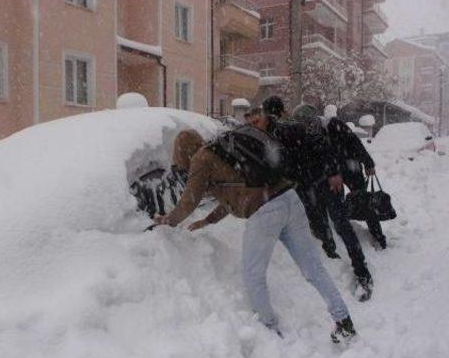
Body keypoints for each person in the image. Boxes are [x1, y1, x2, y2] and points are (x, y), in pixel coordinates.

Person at [153, 129, 357, 342]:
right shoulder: (220, 150)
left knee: (253, 274)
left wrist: (167, 220)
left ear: (182, 152)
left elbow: (190, 200)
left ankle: (269, 330)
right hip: (289, 198)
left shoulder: (200, 159)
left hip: (266, 211)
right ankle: (344, 320)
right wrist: (209, 220)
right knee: (313, 267)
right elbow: (236, 192)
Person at [288, 103, 373, 301]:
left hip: (328, 185)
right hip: (309, 188)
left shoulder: (324, 128)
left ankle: (362, 272)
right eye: (301, 123)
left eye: (306, 122)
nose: (305, 126)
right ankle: (332, 258)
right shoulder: (295, 133)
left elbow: (330, 151)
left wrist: (334, 173)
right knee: (320, 226)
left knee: (341, 224)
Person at [323, 106, 387, 249]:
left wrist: (331, 172)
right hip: (352, 168)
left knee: (338, 203)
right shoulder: (344, 131)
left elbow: (326, 155)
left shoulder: (326, 132)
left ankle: (344, 232)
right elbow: (358, 146)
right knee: (364, 202)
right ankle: (377, 236)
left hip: (337, 172)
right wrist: (368, 164)